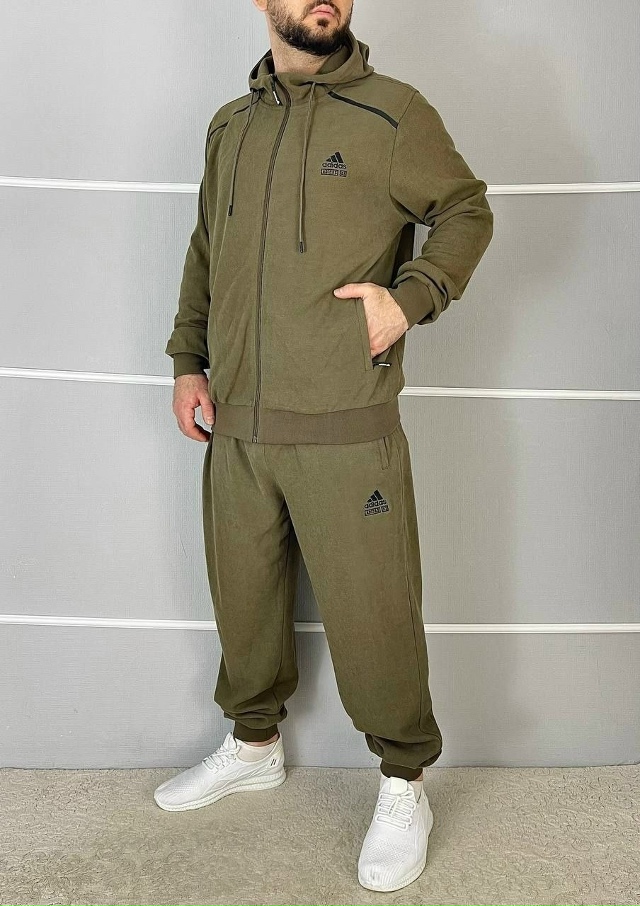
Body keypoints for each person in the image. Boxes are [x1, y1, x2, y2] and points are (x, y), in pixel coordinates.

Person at [156, 0, 493, 893]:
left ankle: (403, 782)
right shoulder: (230, 125)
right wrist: (189, 361)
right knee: (244, 599)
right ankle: (253, 744)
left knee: (374, 613)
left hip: (346, 422)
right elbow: (206, 249)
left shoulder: (394, 111)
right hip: (238, 422)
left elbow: (466, 209)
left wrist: (408, 298)